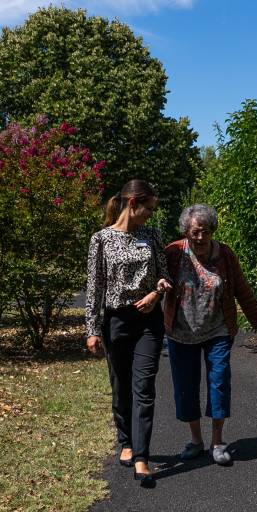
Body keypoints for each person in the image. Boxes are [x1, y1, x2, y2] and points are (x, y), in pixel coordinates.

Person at [163, 204, 257, 465]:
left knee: (219, 382)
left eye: (206, 231)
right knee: (186, 388)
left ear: (213, 231)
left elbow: (242, 290)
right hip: (181, 332)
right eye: (196, 231)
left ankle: (217, 441)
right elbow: (155, 282)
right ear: (186, 231)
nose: (200, 237)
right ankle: (196, 440)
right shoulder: (174, 253)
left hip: (218, 330)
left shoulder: (225, 255)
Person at [85, 180, 172, 487]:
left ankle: (142, 458)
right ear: (132, 203)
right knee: (120, 385)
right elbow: (95, 287)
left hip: (148, 321)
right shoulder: (101, 239)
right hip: (116, 321)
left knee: (144, 387)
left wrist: (157, 293)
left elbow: (164, 275)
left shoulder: (152, 236)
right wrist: (92, 330)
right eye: (148, 209)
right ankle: (126, 441)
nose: (151, 215)